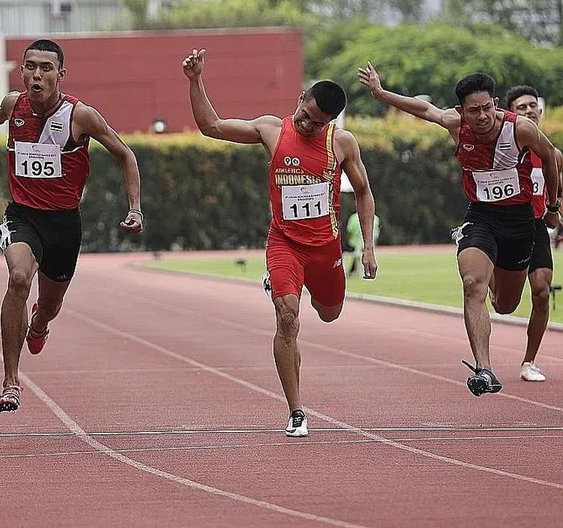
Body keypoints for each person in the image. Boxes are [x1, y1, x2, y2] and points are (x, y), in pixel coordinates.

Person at [0, 39, 143, 412]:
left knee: (49, 306)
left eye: (46, 68)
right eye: (30, 66)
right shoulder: (13, 105)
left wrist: (136, 208)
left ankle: (39, 324)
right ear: (22, 71)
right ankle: (10, 382)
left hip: (64, 225)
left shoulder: (80, 116)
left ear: (61, 75)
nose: (37, 74)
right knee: (18, 278)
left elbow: (125, 154)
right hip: (22, 216)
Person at [183, 48, 378, 438]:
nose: (306, 125)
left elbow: (364, 192)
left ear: (330, 122)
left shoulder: (342, 144)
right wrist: (195, 80)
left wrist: (368, 247)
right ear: (300, 98)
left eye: (316, 123)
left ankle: (299, 289)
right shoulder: (271, 130)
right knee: (288, 317)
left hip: (325, 249)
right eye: (304, 114)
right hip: (284, 243)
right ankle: (296, 410)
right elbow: (212, 126)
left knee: (329, 313)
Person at [358, 64, 560, 396]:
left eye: (486, 108)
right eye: (473, 110)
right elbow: (423, 108)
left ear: (495, 103)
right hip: (481, 217)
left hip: (519, 222)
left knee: (506, 305)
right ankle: (484, 369)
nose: (481, 116)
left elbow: (551, 157)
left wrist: (552, 207)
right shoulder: (456, 125)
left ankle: (495, 275)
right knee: (471, 284)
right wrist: (380, 93)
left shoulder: (520, 129)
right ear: (460, 111)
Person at [505, 85, 562, 382]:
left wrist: (555, 209)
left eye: (532, 106)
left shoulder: (553, 154)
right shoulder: (502, 151)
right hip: (501, 224)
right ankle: (491, 283)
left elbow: (558, 191)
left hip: (536, 225)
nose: (528, 111)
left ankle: (529, 361)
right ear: (511, 114)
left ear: (539, 112)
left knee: (541, 290)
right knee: (503, 304)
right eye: (521, 108)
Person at [346, 210, 380, 277]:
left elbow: (349, 231)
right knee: (357, 256)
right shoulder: (376, 218)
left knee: (354, 255)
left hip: (355, 243)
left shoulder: (353, 218)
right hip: (369, 243)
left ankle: (354, 271)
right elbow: (376, 232)